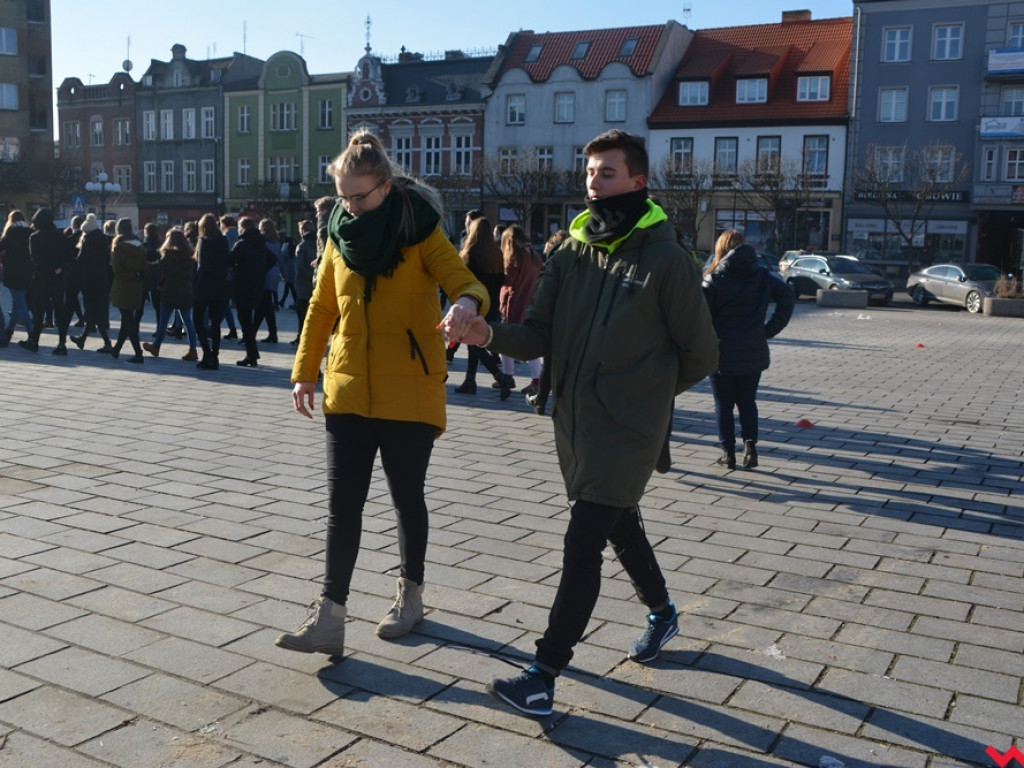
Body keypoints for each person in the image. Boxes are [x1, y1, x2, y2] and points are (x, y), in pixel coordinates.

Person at [445, 129, 719, 717]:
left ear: (638, 182)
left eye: (609, 173)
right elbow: (539, 333)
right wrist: (485, 332)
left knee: (583, 540)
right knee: (617, 524)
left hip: (630, 429)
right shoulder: (569, 253)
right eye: (591, 173)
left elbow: (702, 354)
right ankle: (664, 612)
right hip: (574, 419)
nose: (595, 183)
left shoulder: (667, 259)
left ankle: (543, 674)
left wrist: (645, 396)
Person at [276, 130, 488, 659]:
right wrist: (304, 372)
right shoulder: (338, 236)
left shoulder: (419, 232)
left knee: (405, 497)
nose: (349, 206)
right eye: (343, 196)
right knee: (341, 507)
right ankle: (330, 616)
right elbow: (321, 309)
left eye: (359, 196)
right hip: (347, 390)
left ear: (386, 188)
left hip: (410, 393)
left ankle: (410, 595)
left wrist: (465, 305)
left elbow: (465, 281)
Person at [702, 239, 794, 469]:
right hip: (753, 347)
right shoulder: (762, 276)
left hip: (721, 350)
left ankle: (728, 453)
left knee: (723, 403)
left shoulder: (713, 278)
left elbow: (699, 315)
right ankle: (750, 448)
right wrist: (770, 329)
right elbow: (787, 296)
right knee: (747, 401)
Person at [453, 215, 513, 399]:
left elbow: (463, 281)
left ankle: (500, 376)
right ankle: (470, 381)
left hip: (475, 302)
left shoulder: (469, 254)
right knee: (474, 342)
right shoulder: (496, 254)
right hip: (492, 305)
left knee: (473, 343)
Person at [525, 229, 569, 415]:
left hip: (554, 321)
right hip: (575, 322)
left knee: (549, 362)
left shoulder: (552, 262)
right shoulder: (581, 260)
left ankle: (541, 400)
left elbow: (543, 296)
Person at [498, 225, 543, 394]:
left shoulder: (513, 258)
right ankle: (536, 379)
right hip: (530, 302)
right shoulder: (534, 256)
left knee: (504, 342)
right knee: (529, 342)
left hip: (514, 303)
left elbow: (507, 281)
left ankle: (508, 375)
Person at [21, 208, 72, 354]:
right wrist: (60, 268)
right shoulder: (60, 236)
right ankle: (62, 344)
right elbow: (68, 256)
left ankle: (34, 341)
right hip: (59, 278)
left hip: (42, 278)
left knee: (39, 312)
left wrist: (50, 269)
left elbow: (36, 259)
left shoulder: (35, 237)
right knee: (59, 312)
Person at [143, 228, 199, 360]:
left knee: (163, 322)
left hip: (170, 292)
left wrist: (141, 263)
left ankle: (156, 347)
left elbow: (154, 267)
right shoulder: (190, 257)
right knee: (188, 322)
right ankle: (193, 350)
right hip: (186, 291)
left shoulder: (169, 257)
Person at [69, 213, 113, 353]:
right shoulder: (104, 239)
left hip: (89, 280)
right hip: (102, 279)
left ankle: (106, 342)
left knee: (93, 310)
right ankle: (83, 339)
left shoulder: (87, 240)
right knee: (96, 311)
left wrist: (71, 261)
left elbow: (80, 261)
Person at [230, 217, 269, 367]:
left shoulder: (242, 244)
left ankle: (251, 355)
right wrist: (260, 271)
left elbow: (230, 260)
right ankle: (252, 353)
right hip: (257, 285)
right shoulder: (260, 243)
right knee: (248, 321)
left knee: (245, 321)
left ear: (243, 228)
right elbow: (271, 258)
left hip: (243, 286)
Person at [193, 213, 231, 370]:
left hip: (204, 286)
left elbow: (202, 266)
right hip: (220, 286)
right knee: (216, 324)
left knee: (197, 320)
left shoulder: (203, 241)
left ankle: (207, 353)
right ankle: (214, 356)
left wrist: (196, 285)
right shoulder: (223, 241)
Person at [109, 218, 147, 363]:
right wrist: (137, 276)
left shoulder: (118, 246)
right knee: (127, 318)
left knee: (128, 319)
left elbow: (117, 270)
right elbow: (145, 268)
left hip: (122, 287)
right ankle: (117, 348)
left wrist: (128, 275)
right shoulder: (140, 246)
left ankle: (138, 352)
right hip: (137, 286)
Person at [0, 210, 33, 348]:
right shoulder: (29, 233)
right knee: (17, 304)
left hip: (13, 273)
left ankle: (32, 334)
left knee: (21, 305)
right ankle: (9, 331)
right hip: (27, 273)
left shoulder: (9, 233)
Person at [254, 218, 284, 343]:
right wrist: (285, 275)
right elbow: (280, 259)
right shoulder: (276, 242)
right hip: (274, 274)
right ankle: (271, 333)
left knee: (263, 304)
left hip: (264, 273)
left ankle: (253, 332)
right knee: (266, 305)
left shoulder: (262, 242)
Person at [290, 218, 316, 345]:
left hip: (303, 284)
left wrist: (307, 276)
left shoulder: (302, 246)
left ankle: (301, 336)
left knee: (301, 312)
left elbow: (299, 268)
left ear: (302, 230)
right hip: (316, 283)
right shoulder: (319, 244)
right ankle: (305, 336)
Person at [219, 215, 240, 340]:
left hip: (227, 271)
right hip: (237, 271)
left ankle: (231, 329)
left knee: (224, 301)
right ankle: (231, 329)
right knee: (225, 302)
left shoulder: (226, 236)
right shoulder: (239, 234)